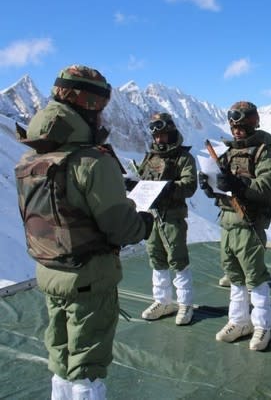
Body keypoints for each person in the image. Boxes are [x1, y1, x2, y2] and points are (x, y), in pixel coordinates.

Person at [15, 65, 153, 400]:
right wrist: (144, 220)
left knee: (60, 357)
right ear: (89, 104)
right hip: (89, 278)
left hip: (50, 273)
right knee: (87, 368)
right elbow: (121, 229)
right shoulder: (92, 161)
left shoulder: (33, 157)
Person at [198, 101, 271, 351]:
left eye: (242, 126)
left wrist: (239, 184)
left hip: (249, 222)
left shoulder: (262, 152)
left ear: (253, 123)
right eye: (234, 127)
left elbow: (266, 187)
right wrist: (210, 186)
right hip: (228, 222)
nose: (238, 131)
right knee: (234, 275)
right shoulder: (227, 152)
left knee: (255, 276)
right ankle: (239, 321)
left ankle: (262, 325)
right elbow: (222, 190)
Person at [136, 113, 198, 326]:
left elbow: (190, 186)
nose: (159, 140)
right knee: (156, 258)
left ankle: (185, 304)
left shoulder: (184, 158)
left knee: (178, 259)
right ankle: (162, 301)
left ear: (171, 132)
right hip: (152, 215)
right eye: (156, 136)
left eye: (163, 135)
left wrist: (169, 188)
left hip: (173, 217)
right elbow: (143, 180)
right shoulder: (150, 157)